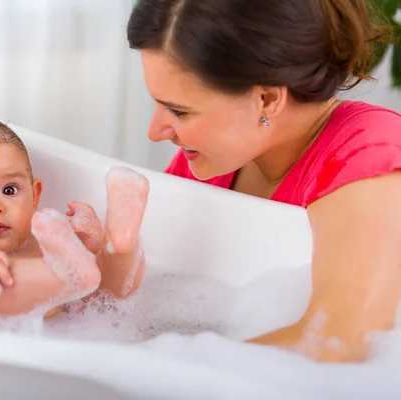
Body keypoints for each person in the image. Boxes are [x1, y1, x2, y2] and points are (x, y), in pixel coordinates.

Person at [126, 0, 401, 362]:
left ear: (267, 99)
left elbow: (343, 342)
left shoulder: (369, 153)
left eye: (179, 111)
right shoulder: (220, 157)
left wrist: (153, 369)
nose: (155, 132)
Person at [0, 117, 148, 324]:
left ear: (34, 197)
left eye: (9, 190)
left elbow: (97, 299)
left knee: (106, 293)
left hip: (71, 331)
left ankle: (120, 246)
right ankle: (71, 274)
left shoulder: (44, 244)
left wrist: (87, 243)